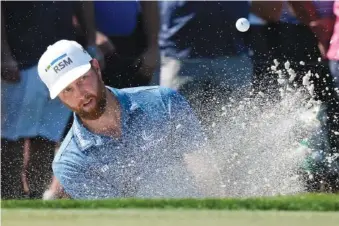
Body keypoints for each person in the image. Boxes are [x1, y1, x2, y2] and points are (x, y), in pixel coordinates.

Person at [37, 40, 225, 199]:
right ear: (59, 97)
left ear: (96, 68)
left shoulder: (163, 101)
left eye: (83, 79)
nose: (80, 94)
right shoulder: (69, 163)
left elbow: (206, 175)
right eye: (67, 90)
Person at [1, 1, 101, 199]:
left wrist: (91, 44)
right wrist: (3, 56)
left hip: (64, 64)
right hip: (21, 59)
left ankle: (35, 198)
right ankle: (8, 198)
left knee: (47, 136)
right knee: (11, 137)